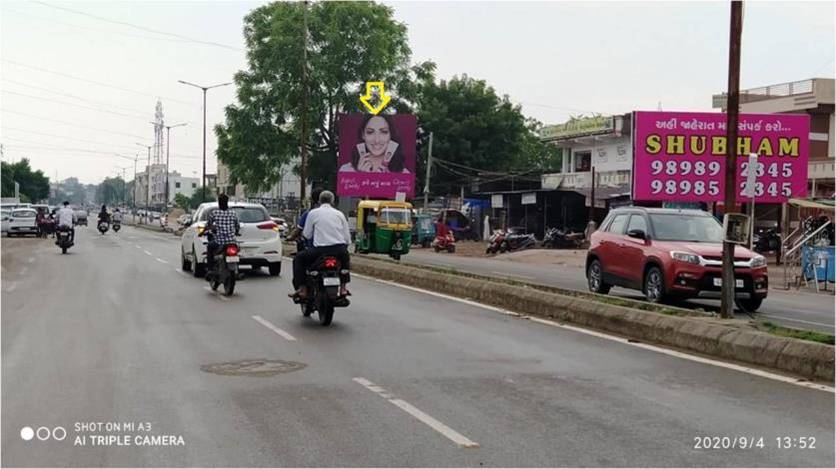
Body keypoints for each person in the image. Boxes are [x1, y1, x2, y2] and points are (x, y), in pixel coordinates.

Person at [290, 191, 351, 299]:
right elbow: (347, 238)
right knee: (345, 262)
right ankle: (343, 288)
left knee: (298, 259)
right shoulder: (339, 214)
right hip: (339, 250)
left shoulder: (313, 213)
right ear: (332, 201)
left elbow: (307, 234)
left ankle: (302, 289)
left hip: (320, 251)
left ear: (319, 201)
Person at [338, 114, 409, 173]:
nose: (377, 140)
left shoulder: (403, 174)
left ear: (390, 135)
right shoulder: (346, 170)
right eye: (370, 132)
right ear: (363, 135)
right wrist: (360, 177)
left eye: (384, 132)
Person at [205, 194, 240, 277]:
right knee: (237, 251)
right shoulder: (233, 213)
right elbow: (237, 226)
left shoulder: (215, 213)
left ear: (219, 203)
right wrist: (236, 231)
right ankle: (236, 270)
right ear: (227, 202)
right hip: (232, 241)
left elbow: (208, 224)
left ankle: (210, 269)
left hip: (219, 242)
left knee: (209, 247)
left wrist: (209, 228)